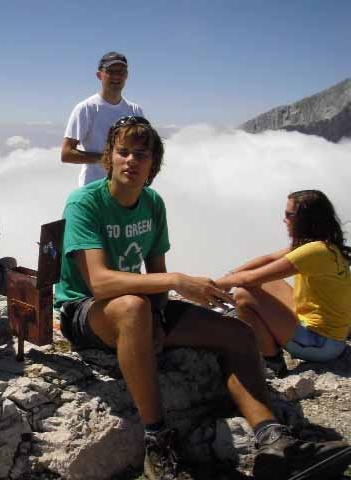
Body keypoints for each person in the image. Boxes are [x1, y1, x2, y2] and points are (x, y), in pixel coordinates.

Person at [54, 116, 348, 480]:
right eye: (123, 152)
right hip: (84, 310)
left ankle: (274, 440)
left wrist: (157, 317)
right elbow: (98, 282)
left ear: (153, 164)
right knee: (133, 307)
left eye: (141, 154)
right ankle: (157, 442)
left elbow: (154, 274)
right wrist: (178, 281)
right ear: (109, 157)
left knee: (237, 334)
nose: (131, 160)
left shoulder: (152, 203)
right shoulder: (85, 202)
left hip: (140, 308)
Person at [216, 190, 351, 377]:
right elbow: (269, 259)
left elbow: (250, 279)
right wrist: (231, 275)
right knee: (267, 281)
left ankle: (272, 361)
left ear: (304, 218)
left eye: (289, 215)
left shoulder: (315, 251)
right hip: (328, 336)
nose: (284, 220)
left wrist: (215, 285)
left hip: (321, 344)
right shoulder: (323, 246)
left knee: (243, 294)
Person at [61, 51, 145, 187]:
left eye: (121, 71)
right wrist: (106, 158)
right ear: (99, 75)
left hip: (126, 190)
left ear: (126, 76)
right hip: (94, 189)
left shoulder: (135, 111)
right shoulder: (86, 109)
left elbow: (144, 148)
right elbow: (66, 153)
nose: (116, 76)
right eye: (111, 71)